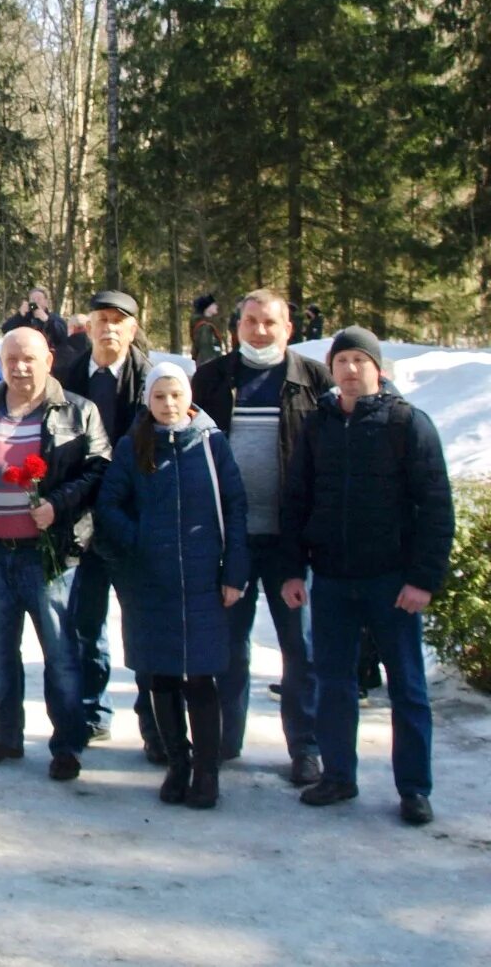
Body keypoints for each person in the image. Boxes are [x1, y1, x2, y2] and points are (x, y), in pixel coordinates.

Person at [280, 326, 454, 825]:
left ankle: (414, 788)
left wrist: (423, 579)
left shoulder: (407, 424)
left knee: (407, 688)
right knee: (333, 683)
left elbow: (436, 507)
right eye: (342, 361)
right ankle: (338, 775)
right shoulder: (318, 426)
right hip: (332, 579)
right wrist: (293, 569)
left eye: (360, 360)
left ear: (378, 368)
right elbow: (297, 501)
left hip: (391, 582)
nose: (351, 370)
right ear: (330, 369)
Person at [191, 286, 329, 785]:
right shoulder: (211, 379)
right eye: (251, 322)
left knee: (300, 647)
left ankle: (305, 747)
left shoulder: (313, 380)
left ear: (289, 329)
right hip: (232, 541)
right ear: (237, 327)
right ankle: (226, 738)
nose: (260, 331)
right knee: (230, 645)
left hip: (293, 542)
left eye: (270, 322)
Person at [95, 364, 250, 808]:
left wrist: (234, 571)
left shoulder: (210, 443)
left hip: (203, 580)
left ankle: (206, 771)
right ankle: (177, 764)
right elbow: (110, 503)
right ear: (148, 401)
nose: (169, 405)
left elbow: (235, 507)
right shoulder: (134, 445)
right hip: (153, 580)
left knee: (201, 678)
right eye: (160, 397)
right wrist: (140, 538)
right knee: (160, 675)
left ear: (189, 397)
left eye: (176, 395)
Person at [0, 326, 107, 782]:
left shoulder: (78, 411)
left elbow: (97, 470)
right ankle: (5, 734)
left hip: (47, 557)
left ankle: (67, 743)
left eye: (29, 358)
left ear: (49, 359)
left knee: (61, 654)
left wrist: (57, 504)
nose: (20, 367)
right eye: (10, 359)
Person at [57, 290, 157, 756]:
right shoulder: (69, 378)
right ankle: (93, 713)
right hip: (82, 522)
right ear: (88, 327)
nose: (110, 328)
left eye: (120, 320)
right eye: (102, 319)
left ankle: (157, 725)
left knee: (144, 624)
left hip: (136, 522)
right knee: (85, 625)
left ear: (133, 329)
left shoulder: (151, 380)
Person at [1, 287, 69, 356]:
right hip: (26, 354)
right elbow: (5, 329)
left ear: (46, 302)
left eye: (39, 299)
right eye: (33, 299)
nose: (36, 301)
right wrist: (19, 315)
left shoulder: (54, 318)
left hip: (49, 355)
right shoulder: (23, 318)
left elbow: (62, 337)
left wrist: (47, 320)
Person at [190, 295, 225, 366]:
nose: (216, 306)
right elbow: (206, 353)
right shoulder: (204, 328)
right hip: (210, 368)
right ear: (207, 307)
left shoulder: (207, 325)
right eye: (214, 304)